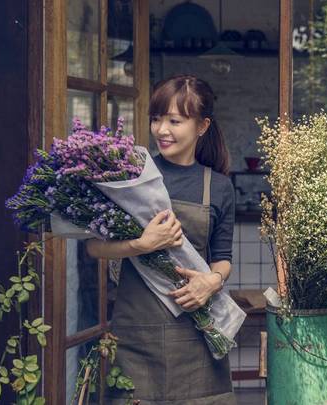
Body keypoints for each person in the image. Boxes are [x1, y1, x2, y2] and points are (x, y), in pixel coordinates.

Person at [86, 74, 237, 404]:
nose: (162, 130)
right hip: (135, 335)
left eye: (174, 120)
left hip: (196, 333)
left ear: (202, 126)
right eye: (156, 119)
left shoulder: (220, 187)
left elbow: (223, 258)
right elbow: (94, 247)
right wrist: (142, 244)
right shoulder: (131, 178)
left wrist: (211, 281)